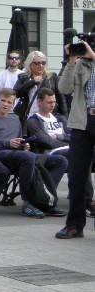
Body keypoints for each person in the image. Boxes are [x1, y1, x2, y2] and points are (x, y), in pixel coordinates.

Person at [0, 88, 66, 218]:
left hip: (18, 154)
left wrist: (24, 145)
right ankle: (28, 202)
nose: (5, 104)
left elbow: (19, 141)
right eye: (3, 100)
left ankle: (45, 199)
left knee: (60, 161)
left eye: (9, 102)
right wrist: (7, 143)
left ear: (13, 104)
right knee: (27, 157)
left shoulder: (15, 120)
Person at [28, 88, 95, 218]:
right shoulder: (34, 120)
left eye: (54, 102)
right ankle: (87, 202)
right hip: (51, 154)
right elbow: (46, 141)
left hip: (70, 149)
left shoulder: (60, 118)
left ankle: (81, 197)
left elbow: (75, 136)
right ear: (39, 102)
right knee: (80, 155)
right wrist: (70, 142)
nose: (52, 105)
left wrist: (59, 137)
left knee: (87, 152)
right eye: (49, 102)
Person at [55, 39, 95, 239]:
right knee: (76, 176)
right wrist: (71, 61)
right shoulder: (80, 63)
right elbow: (64, 89)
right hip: (82, 121)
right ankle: (74, 225)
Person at [14, 50, 67, 119]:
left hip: (49, 116)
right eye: (37, 63)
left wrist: (65, 117)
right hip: (29, 115)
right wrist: (32, 82)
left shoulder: (51, 77)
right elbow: (15, 93)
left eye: (43, 63)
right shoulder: (24, 77)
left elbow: (61, 98)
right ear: (30, 64)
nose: (41, 66)